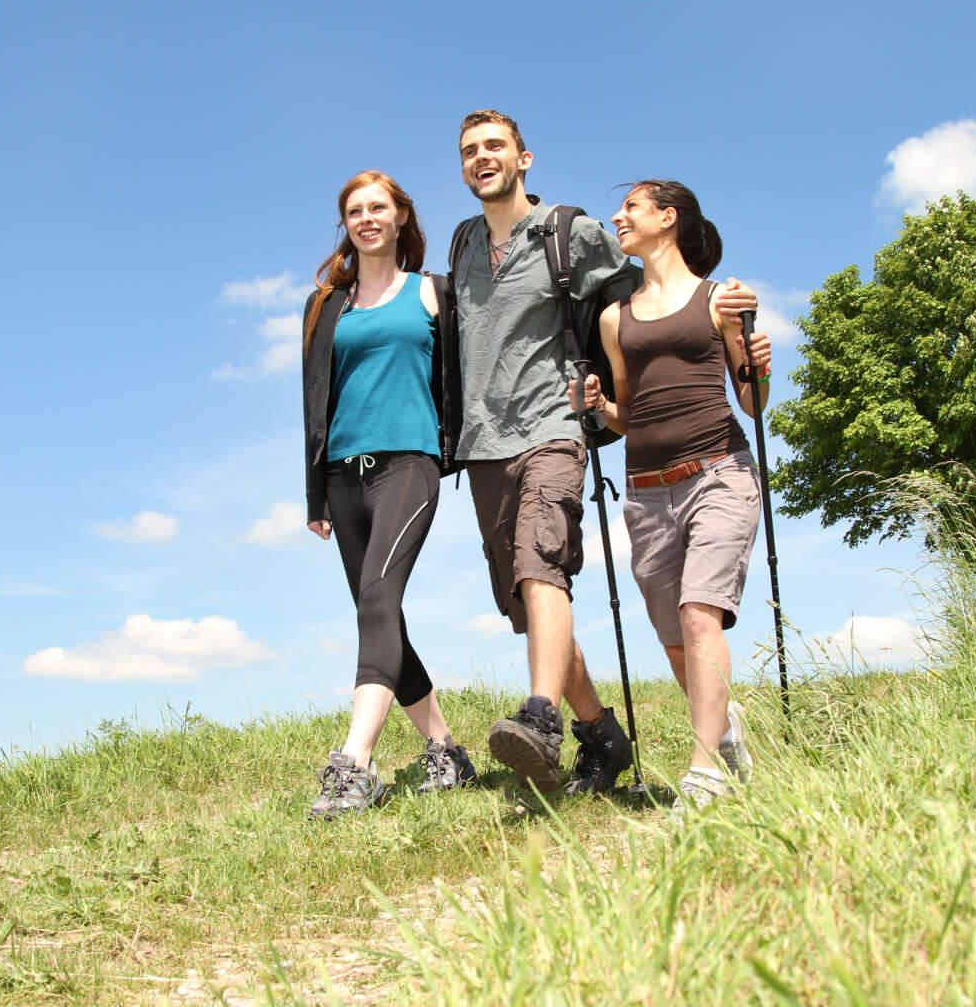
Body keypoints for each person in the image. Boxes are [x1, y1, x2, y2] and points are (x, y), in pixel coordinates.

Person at [446, 109, 760, 794]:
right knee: (527, 605)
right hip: (482, 443)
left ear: (524, 158)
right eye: (470, 150)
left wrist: (723, 320)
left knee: (543, 563)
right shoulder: (463, 243)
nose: (482, 157)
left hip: (554, 428)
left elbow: (648, 295)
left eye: (495, 145)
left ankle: (542, 716)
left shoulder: (570, 232)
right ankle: (602, 737)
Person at [570, 179, 771, 810]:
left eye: (630, 207)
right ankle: (728, 735)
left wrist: (758, 362)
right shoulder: (614, 318)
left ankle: (705, 771)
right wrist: (603, 410)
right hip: (647, 491)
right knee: (676, 641)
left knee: (698, 613)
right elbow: (630, 413)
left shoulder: (720, 300)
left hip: (719, 472)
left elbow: (753, 401)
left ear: (667, 217)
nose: (618, 217)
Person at [301, 169, 476, 820]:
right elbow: (314, 400)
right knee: (383, 616)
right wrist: (314, 491)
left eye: (379, 207)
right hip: (343, 475)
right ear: (345, 224)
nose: (367, 218)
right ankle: (445, 750)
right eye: (355, 210)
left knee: (377, 600)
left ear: (401, 217)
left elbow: (469, 373)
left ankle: (355, 764)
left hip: (408, 463)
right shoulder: (326, 307)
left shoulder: (433, 293)